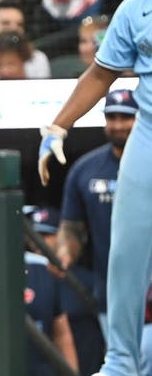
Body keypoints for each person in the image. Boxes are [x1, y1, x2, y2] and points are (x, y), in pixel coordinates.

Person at [38, 0, 152, 376]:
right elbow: (101, 74)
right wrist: (57, 127)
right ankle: (120, 361)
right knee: (126, 251)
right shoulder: (137, 7)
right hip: (149, 132)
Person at [55, 89, 139, 370]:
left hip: (148, 284)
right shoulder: (86, 169)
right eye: (112, 117)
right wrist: (64, 254)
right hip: (110, 292)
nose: (118, 125)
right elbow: (72, 227)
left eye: (126, 117)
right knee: (123, 364)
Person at [23, 206, 80, 376]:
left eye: (46, 235)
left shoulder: (46, 272)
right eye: (37, 235)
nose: (39, 242)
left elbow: (62, 335)